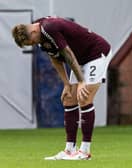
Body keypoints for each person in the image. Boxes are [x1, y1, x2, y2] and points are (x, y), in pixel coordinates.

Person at [12, 16, 112, 160]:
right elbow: (55, 59)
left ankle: (84, 152)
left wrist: (81, 82)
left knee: (83, 97)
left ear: (33, 31)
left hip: (96, 53)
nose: (34, 44)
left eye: (32, 42)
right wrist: (66, 83)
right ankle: (69, 150)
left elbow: (68, 54)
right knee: (69, 99)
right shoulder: (40, 35)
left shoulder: (49, 28)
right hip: (80, 60)